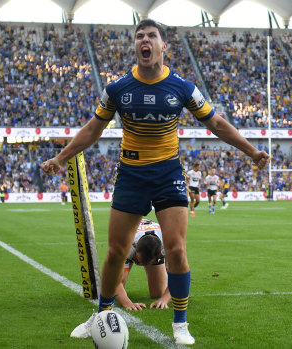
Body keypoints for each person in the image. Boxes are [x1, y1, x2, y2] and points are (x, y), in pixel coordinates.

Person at [42, 19, 270, 345]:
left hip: (168, 175)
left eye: (151, 36)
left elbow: (216, 123)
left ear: (164, 47)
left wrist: (251, 151)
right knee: (116, 253)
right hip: (131, 175)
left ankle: (180, 324)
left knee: (176, 249)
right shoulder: (118, 89)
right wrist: (61, 158)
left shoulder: (182, 87)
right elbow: (93, 130)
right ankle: (99, 316)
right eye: (139, 37)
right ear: (136, 46)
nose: (144, 41)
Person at [116, 219, 170, 311]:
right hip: (128, 238)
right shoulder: (125, 245)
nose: (140, 264)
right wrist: (127, 303)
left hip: (154, 244)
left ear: (159, 255)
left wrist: (164, 299)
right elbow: (115, 282)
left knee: (158, 293)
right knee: (117, 289)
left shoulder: (169, 246)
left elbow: (178, 275)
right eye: (139, 260)